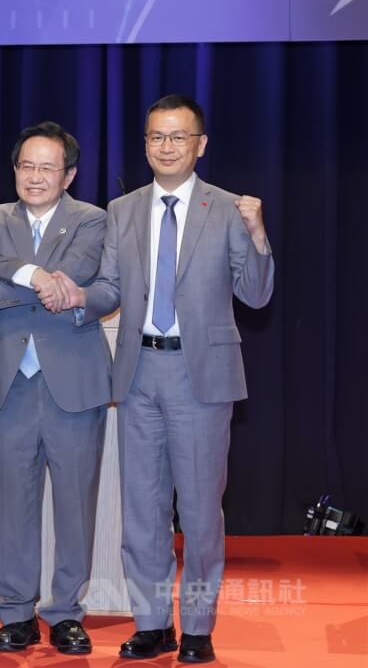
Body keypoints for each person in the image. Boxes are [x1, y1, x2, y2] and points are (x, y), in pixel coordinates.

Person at [48, 94, 274, 663]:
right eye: (156, 137)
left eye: (178, 137)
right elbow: (110, 287)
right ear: (145, 143)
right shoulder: (122, 209)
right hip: (138, 372)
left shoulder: (228, 208)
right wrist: (78, 298)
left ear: (201, 145)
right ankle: (153, 624)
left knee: (199, 513)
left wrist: (258, 235)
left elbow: (256, 293)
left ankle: (197, 626)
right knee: (142, 512)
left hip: (201, 377)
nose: (166, 147)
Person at [0, 122, 110, 655]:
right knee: (14, 504)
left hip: (74, 380)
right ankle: (15, 612)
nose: (35, 177)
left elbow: (74, 276)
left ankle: (66, 613)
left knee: (74, 504)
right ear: (14, 170)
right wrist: (32, 277)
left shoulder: (92, 220)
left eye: (47, 167)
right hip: (11, 381)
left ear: (69, 175)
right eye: (26, 166)